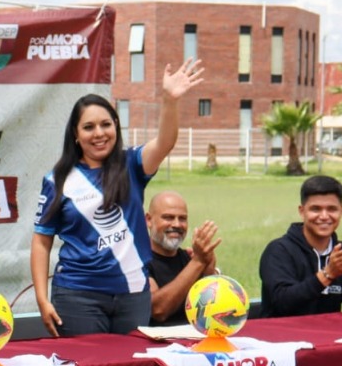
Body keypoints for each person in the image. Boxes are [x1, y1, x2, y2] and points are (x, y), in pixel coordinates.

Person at [31, 59, 205, 337]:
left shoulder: (132, 165)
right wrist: (41, 298)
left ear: (116, 127)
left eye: (106, 124)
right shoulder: (58, 180)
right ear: (75, 135)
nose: (99, 133)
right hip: (78, 296)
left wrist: (169, 100)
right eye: (88, 127)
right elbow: (41, 242)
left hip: (133, 295)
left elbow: (165, 142)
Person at [258, 175, 342, 317]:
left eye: (332, 209)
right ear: (302, 211)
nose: (324, 216)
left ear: (341, 211)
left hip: (329, 336)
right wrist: (327, 275)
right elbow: (281, 303)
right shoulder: (278, 251)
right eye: (316, 209)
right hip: (283, 337)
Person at [145, 191, 222, 326]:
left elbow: (215, 312)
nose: (177, 224)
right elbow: (158, 310)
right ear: (149, 220)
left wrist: (209, 272)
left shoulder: (189, 258)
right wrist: (198, 262)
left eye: (182, 218)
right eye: (168, 217)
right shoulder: (137, 261)